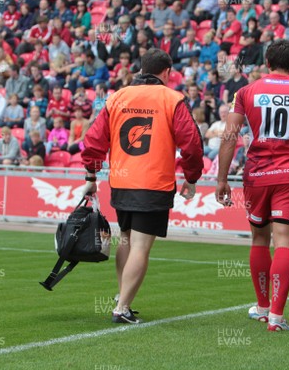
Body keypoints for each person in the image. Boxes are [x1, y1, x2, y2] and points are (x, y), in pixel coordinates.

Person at [215, 39, 289, 331]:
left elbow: (230, 137)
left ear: (267, 62)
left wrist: (221, 179)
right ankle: (277, 317)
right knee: (284, 243)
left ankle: (263, 307)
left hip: (256, 174)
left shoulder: (245, 92)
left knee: (259, 239)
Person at [82, 48, 204, 324]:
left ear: (140, 69)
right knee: (140, 246)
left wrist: (91, 176)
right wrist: (192, 177)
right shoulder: (172, 99)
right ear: (167, 73)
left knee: (125, 239)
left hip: (122, 179)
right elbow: (193, 144)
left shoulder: (118, 96)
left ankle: (122, 296)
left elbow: (93, 140)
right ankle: (122, 306)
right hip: (154, 181)